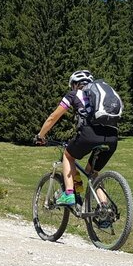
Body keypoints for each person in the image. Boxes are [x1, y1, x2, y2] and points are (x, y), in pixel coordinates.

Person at [34, 69, 118, 209]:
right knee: (92, 172)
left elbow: (53, 117)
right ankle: (104, 208)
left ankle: (69, 194)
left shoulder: (74, 94)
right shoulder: (100, 96)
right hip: (112, 137)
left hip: (90, 135)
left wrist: (40, 136)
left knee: (68, 156)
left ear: (75, 84)